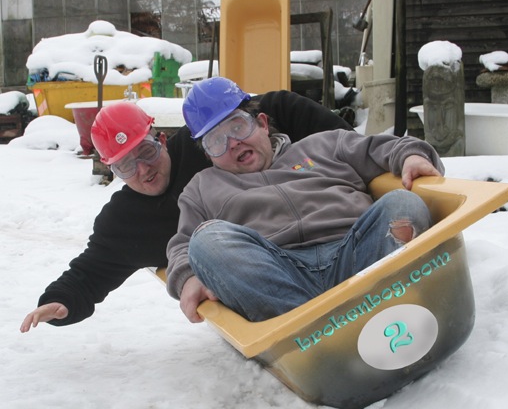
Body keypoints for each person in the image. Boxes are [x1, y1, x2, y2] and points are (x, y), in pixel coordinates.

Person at [20, 91, 353, 333]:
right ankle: (307, 326)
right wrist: (61, 300)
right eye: (125, 166)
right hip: (256, 275)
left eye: (146, 151)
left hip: (307, 241)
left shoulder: (204, 147)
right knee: (208, 240)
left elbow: (272, 108)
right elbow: (91, 270)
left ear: (162, 140)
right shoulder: (125, 222)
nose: (143, 169)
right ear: (113, 172)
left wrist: (347, 144)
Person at [166, 77, 445, 323]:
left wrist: (411, 155)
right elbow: (183, 244)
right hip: (279, 277)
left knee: (403, 204)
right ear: (209, 156)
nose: (233, 143)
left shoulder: (325, 144)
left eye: (238, 127)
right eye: (216, 142)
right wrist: (187, 277)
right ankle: (308, 328)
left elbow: (384, 147)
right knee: (206, 241)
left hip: (357, 254)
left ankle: (385, 307)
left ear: (262, 123)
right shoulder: (201, 188)